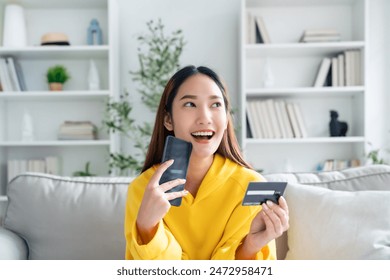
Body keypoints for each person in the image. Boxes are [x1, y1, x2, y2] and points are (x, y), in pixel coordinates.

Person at [124, 65, 289, 260]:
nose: (205, 118)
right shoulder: (143, 189)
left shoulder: (252, 187)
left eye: (216, 105)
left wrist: (250, 248)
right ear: (168, 119)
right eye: (190, 105)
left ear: (227, 118)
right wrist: (146, 228)